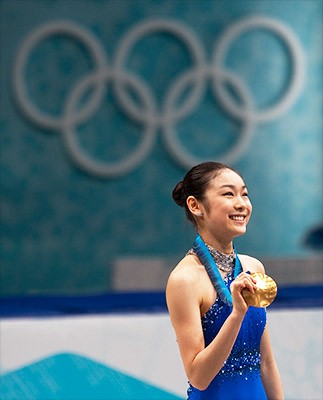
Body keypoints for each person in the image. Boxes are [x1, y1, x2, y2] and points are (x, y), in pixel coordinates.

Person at [166, 161, 284, 400]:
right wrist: (236, 314)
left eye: (245, 194)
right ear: (195, 206)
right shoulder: (185, 280)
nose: (241, 203)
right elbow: (198, 376)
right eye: (229, 194)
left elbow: (267, 365)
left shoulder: (253, 268)